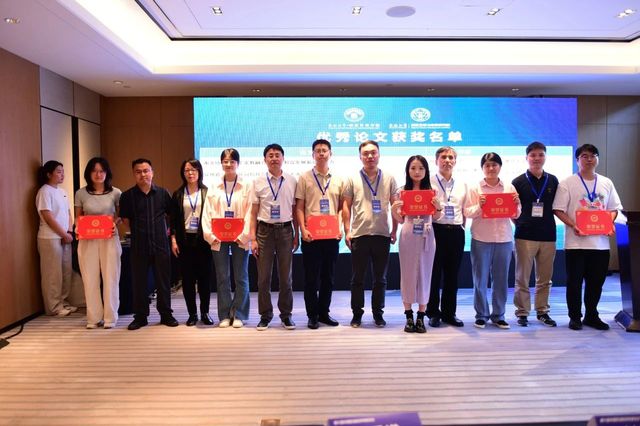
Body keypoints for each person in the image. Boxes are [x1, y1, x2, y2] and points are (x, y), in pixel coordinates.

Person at [553, 144, 623, 331]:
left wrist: (608, 222)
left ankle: (592, 315)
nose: (589, 159)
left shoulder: (606, 182)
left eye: (593, 156)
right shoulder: (567, 182)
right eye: (584, 156)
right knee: (574, 283)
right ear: (577, 160)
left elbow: (614, 208)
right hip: (576, 243)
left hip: (600, 244)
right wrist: (573, 225)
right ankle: (575, 317)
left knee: (596, 283)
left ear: (597, 159)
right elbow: (558, 209)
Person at [343, 140, 398, 328]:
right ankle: (357, 314)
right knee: (357, 279)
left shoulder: (389, 178)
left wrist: (394, 230)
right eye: (365, 153)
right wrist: (347, 231)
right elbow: (346, 206)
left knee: (380, 279)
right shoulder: (352, 179)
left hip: (382, 235)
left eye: (373, 152)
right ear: (360, 156)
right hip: (359, 235)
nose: (370, 156)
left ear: (379, 154)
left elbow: (395, 205)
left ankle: (378, 314)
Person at [119, 158, 179, 330]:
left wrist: (170, 237)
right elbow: (125, 220)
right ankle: (140, 317)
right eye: (138, 172)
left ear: (152, 172)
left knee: (163, 282)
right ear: (134, 174)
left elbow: (171, 217)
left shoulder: (163, 193)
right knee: (139, 283)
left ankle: (166, 314)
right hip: (139, 246)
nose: (143, 174)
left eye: (146, 171)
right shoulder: (127, 196)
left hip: (161, 245)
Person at [464, 152, 521, 329]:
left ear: (500, 167)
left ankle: (499, 315)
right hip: (481, 238)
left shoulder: (509, 187)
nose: (491, 168)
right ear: (482, 168)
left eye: (494, 165)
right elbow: (467, 212)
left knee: (501, 280)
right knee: (480, 279)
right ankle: (481, 315)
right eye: (487, 165)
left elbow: (516, 214)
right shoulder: (475, 188)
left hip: (504, 238)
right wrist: (480, 206)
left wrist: (516, 204)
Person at [249, 144, 299, 330]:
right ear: (265, 160)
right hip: (264, 231)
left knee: (286, 278)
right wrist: (253, 238)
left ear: (283, 158)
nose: (274, 158)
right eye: (270, 155)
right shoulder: (258, 182)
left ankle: (286, 315)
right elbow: (253, 213)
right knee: (263, 278)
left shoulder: (292, 181)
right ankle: (265, 315)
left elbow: (295, 210)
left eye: (277, 155)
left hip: (286, 231)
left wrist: (297, 234)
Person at [295, 139, 344, 329]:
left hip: (331, 235)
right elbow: (299, 207)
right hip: (311, 236)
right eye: (318, 150)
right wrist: (303, 229)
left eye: (324, 150)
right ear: (313, 154)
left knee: (328, 277)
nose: (321, 153)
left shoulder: (338, 179)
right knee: (311, 278)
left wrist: (340, 227)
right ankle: (312, 315)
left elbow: (341, 208)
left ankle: (324, 313)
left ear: (330, 153)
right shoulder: (304, 178)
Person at [391, 155, 443, 333]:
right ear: (407, 170)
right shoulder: (402, 191)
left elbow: (437, 217)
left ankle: (421, 316)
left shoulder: (433, 190)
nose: (417, 172)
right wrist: (394, 210)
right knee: (407, 274)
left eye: (421, 168)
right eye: (413, 168)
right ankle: (408, 316)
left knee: (425, 274)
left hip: (427, 234)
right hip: (408, 234)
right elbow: (400, 219)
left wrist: (438, 207)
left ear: (426, 170)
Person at [202, 148, 252, 329]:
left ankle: (239, 314)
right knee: (222, 277)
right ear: (221, 163)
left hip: (240, 238)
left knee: (241, 277)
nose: (229, 164)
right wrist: (210, 236)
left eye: (232, 161)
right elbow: (207, 213)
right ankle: (224, 314)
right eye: (225, 161)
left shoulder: (247, 186)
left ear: (238, 163)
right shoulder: (214, 186)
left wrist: (244, 235)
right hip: (218, 238)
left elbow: (250, 212)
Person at [512, 142, 559, 327]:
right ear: (527, 158)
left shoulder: (553, 180)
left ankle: (542, 311)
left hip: (548, 235)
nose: (537, 158)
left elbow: (557, 206)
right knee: (522, 277)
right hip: (524, 235)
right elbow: (513, 211)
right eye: (533, 155)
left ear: (545, 157)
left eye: (540, 154)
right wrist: (521, 223)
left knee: (545, 278)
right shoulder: (517, 182)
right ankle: (522, 312)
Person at [74, 157, 122, 329]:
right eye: (94, 171)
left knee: (111, 277)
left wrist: (114, 224)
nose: (98, 174)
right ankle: (93, 318)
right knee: (90, 278)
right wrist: (78, 227)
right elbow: (78, 217)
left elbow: (119, 217)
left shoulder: (116, 192)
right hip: (88, 240)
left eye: (102, 171)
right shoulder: (81, 193)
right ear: (89, 173)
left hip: (109, 238)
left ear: (107, 173)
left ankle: (110, 317)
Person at [427, 147, 468, 328]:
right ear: (436, 161)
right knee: (434, 274)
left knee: (452, 275)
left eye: (451, 157)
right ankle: (433, 313)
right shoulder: (429, 182)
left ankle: (449, 314)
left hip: (456, 232)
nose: (447, 160)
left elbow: (464, 209)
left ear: (455, 161)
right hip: (436, 230)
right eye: (443, 157)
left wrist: (462, 226)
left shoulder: (462, 184)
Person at [170, 159, 213, 326]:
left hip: (203, 240)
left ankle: (205, 313)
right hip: (184, 240)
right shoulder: (178, 194)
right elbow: (173, 220)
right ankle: (192, 314)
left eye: (194, 169)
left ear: (199, 172)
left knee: (204, 279)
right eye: (187, 170)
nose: (190, 173)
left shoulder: (207, 192)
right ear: (183, 173)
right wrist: (173, 240)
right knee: (187, 280)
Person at [35, 160, 76, 317]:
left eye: (63, 172)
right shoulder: (44, 191)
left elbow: (68, 213)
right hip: (50, 238)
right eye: (58, 172)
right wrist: (64, 234)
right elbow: (48, 216)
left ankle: (63, 302)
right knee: (52, 274)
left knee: (65, 272)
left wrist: (69, 231)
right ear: (48, 174)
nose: (62, 175)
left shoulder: (62, 191)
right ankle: (53, 307)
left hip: (65, 237)